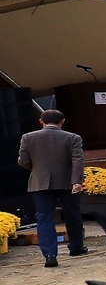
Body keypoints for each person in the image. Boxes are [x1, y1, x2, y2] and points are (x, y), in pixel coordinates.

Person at [17, 108, 85, 268]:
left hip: (40, 182)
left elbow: (22, 161)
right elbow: (78, 160)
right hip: (67, 182)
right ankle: (76, 247)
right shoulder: (73, 138)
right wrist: (77, 180)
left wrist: (37, 170)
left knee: (44, 217)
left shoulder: (28, 137)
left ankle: (49, 254)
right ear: (62, 121)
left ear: (41, 121)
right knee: (73, 214)